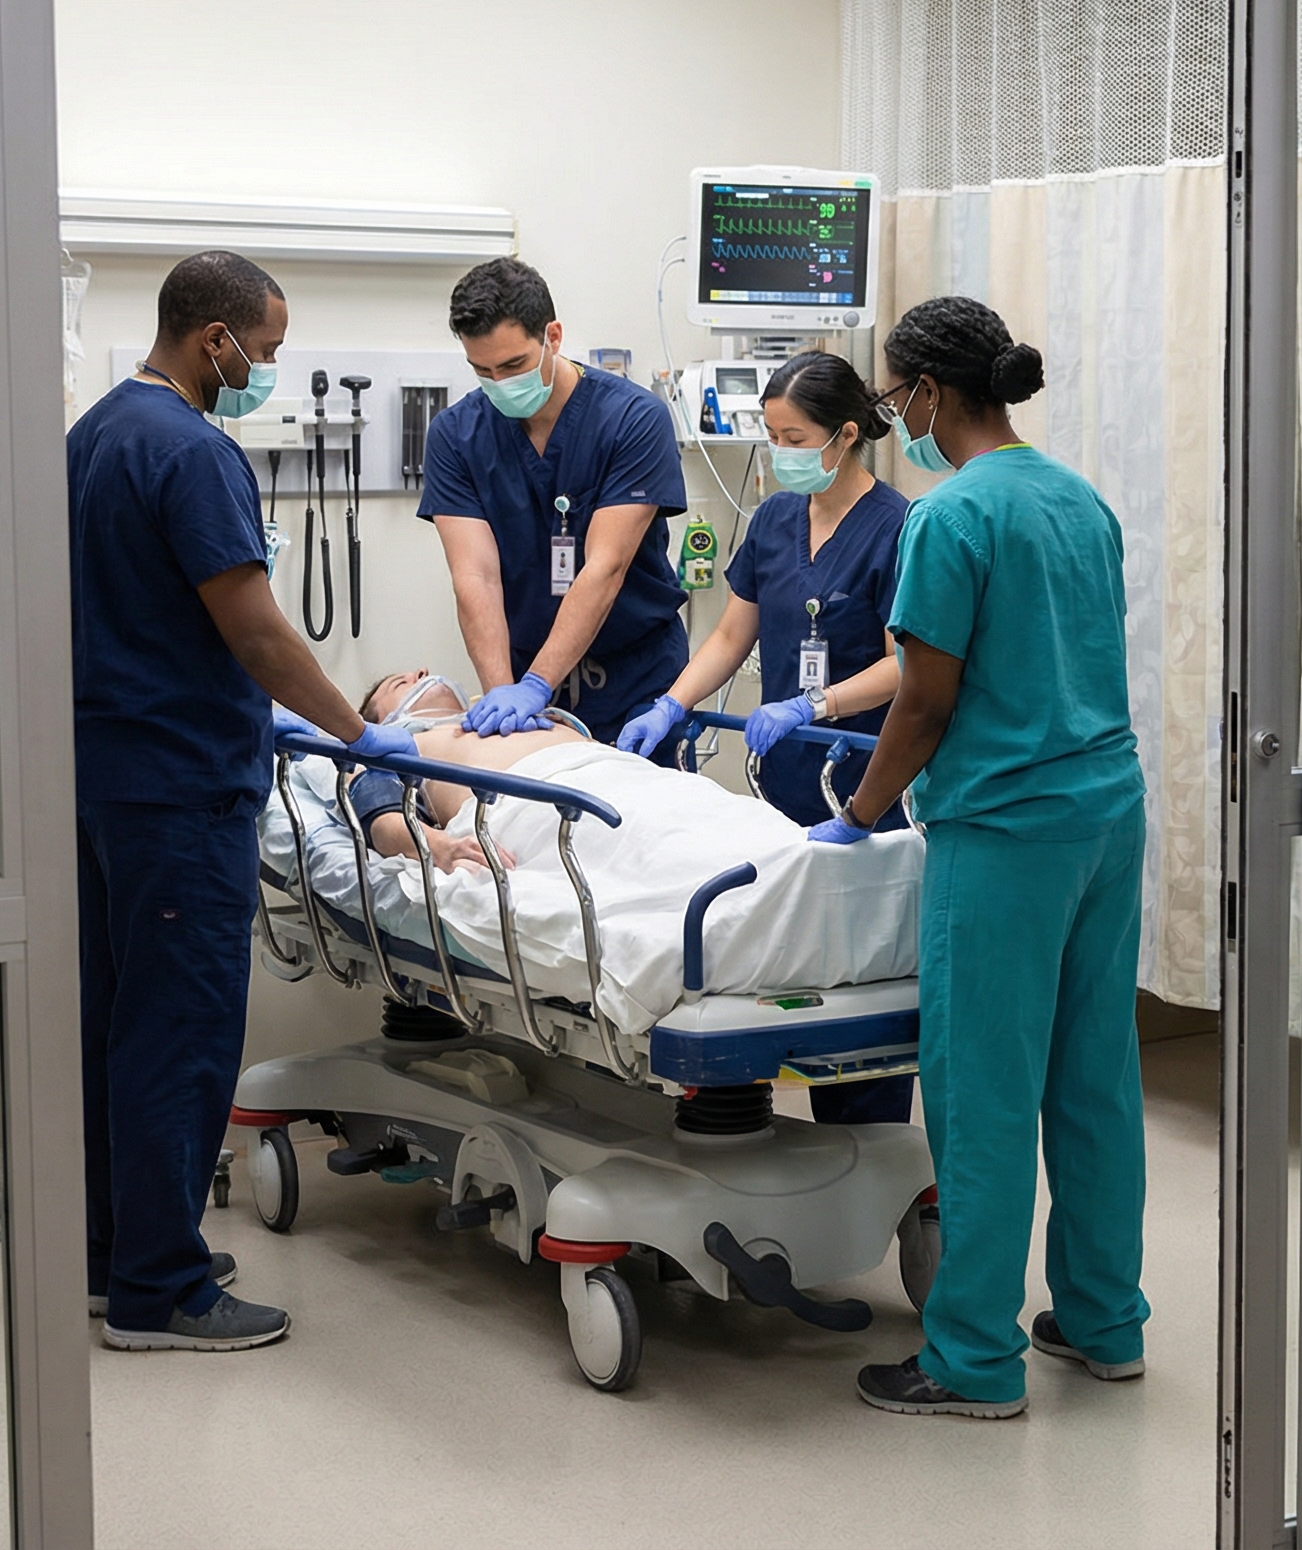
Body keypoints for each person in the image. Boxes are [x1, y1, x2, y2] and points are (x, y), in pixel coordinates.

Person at [807, 297, 1149, 1420]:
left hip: (1006, 831)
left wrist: (860, 810)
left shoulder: (949, 519)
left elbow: (926, 699)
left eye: (891, 395)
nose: (890, 413)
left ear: (929, 396)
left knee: (985, 1096)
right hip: (1106, 814)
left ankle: (971, 1361)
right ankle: (1103, 1322)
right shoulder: (1077, 498)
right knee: (1095, 1079)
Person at [71, 251, 416, 1352]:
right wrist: (363, 736)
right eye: (261, 352)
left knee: (115, 1029)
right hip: (178, 791)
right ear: (211, 335)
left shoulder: (92, 437)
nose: (264, 369)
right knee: (178, 1032)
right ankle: (160, 1291)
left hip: (100, 778)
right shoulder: (192, 449)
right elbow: (257, 627)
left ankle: (112, 1251)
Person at [617, 350, 914, 1126]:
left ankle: (870, 1146)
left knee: (856, 981)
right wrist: (672, 703)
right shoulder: (777, 519)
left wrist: (816, 706)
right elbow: (729, 637)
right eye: (771, 435)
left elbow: (904, 665)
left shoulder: (899, 528)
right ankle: (752, 1134)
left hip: (861, 777)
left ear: (846, 436)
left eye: (792, 436)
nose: (779, 452)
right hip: (778, 781)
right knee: (775, 971)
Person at [420, 257, 689, 746]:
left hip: (636, 677)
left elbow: (605, 568)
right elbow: (474, 576)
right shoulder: (455, 436)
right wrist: (506, 696)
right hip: (522, 672)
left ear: (553, 337)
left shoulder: (633, 420)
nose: (500, 383)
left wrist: (539, 685)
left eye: (514, 365)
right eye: (482, 370)